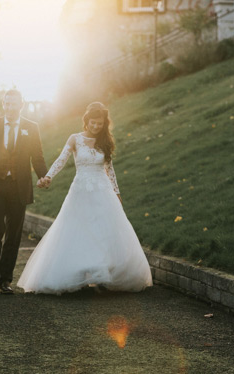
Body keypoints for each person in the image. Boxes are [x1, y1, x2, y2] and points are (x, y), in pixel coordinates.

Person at [17, 102, 152, 294]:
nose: (96, 126)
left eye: (100, 123)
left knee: (103, 231)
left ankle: (103, 275)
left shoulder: (105, 141)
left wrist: (117, 192)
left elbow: (109, 169)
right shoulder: (75, 139)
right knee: (78, 230)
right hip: (80, 191)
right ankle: (79, 275)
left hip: (103, 191)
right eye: (93, 123)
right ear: (86, 121)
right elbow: (61, 160)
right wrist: (48, 177)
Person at [0, 89, 48, 295]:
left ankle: (5, 279)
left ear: (21, 105)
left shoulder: (31, 127)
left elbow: (37, 157)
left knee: (13, 234)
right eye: (7, 103)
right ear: (3, 104)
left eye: (14, 104)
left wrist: (43, 175)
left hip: (19, 186)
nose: (10, 107)